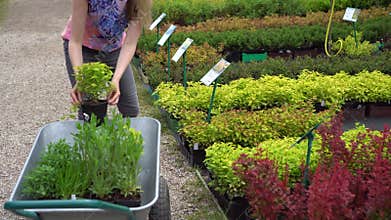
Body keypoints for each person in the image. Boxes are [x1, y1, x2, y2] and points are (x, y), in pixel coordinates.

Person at [62, 0, 152, 118]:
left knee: (130, 108)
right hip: (84, 48)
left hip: (114, 48)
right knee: (90, 109)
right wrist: (81, 79)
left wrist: (116, 79)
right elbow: (75, 42)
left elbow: (130, 43)